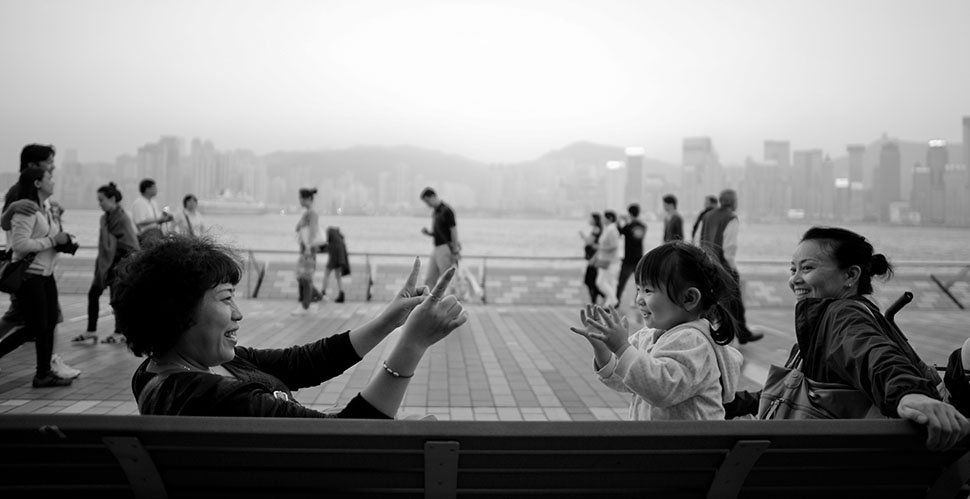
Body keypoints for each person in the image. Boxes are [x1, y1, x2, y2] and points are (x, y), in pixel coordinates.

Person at [115, 235, 467, 418]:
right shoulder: (220, 400)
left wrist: (390, 320)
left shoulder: (164, 374)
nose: (238, 314)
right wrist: (412, 345)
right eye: (225, 299)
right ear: (179, 311)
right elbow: (347, 441)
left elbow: (302, 363)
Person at [776, 226, 965, 450]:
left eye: (807, 268)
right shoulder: (855, 313)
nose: (795, 279)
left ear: (850, 275)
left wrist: (908, 392)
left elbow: (871, 353)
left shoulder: (843, 316)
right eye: (793, 269)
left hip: (827, 463)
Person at [570, 241, 743, 420]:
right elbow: (627, 380)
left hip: (691, 446)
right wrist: (603, 349)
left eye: (648, 290)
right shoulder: (648, 336)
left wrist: (622, 347)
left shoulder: (694, 342)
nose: (639, 299)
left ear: (689, 298)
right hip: (663, 444)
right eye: (638, 289)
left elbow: (661, 389)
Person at [0, 145, 79, 380]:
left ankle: (45, 367)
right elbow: (11, 230)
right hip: (27, 270)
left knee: (39, 321)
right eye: (49, 163)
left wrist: (59, 233)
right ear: (34, 167)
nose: (53, 167)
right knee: (31, 322)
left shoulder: (43, 204)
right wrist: (13, 208)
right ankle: (46, 367)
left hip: (42, 271)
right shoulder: (20, 195)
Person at [75, 182, 140, 344]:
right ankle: (91, 330)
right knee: (94, 294)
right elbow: (105, 245)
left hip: (119, 263)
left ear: (112, 199)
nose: (99, 204)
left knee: (116, 300)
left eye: (101, 200)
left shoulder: (123, 219)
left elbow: (131, 245)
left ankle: (119, 332)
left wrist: (119, 261)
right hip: (104, 265)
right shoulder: (104, 219)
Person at [697, 189, 762, 344]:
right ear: (733, 202)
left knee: (710, 302)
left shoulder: (707, 215)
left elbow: (698, 239)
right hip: (723, 267)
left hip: (707, 264)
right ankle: (740, 334)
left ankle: (706, 333)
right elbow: (729, 248)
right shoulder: (731, 218)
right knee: (734, 303)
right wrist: (732, 270)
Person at [419, 187, 460, 290]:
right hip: (437, 247)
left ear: (433, 196)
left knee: (446, 279)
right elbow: (439, 233)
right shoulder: (436, 212)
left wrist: (455, 251)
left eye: (427, 201)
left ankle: (448, 302)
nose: (427, 204)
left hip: (445, 248)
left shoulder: (447, 210)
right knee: (429, 279)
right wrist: (429, 233)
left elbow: (454, 231)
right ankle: (427, 303)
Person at [293, 188, 321, 315]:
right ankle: (312, 300)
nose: (300, 200)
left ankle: (305, 306)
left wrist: (309, 247)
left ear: (308, 199)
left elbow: (313, 230)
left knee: (306, 278)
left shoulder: (312, 213)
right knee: (302, 277)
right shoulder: (308, 213)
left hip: (308, 250)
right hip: (306, 249)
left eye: (301, 198)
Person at [616, 203, 646, 304]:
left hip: (628, 258)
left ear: (629, 213)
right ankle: (639, 301)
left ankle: (617, 301)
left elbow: (619, 232)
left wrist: (621, 220)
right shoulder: (642, 226)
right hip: (639, 257)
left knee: (621, 281)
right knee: (640, 282)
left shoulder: (628, 226)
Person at [130, 178, 173, 246]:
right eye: (154, 187)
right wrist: (159, 219)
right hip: (146, 234)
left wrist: (165, 219)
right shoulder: (139, 203)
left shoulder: (153, 203)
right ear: (147, 189)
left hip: (156, 232)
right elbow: (140, 221)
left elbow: (157, 219)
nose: (156, 190)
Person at [594, 210, 621, 308]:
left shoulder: (612, 230)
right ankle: (609, 304)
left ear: (609, 218)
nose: (602, 219)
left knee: (601, 282)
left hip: (609, 261)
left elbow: (614, 246)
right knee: (610, 282)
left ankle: (613, 300)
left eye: (604, 217)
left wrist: (600, 248)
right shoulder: (609, 229)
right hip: (607, 260)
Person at [578, 212, 604, 304]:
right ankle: (596, 300)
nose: (589, 220)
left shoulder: (596, 229)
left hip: (593, 260)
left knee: (590, 281)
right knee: (592, 281)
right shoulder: (597, 229)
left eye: (591, 218)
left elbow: (590, 243)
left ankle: (604, 297)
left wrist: (582, 236)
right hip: (593, 259)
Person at [321, 226, 349, 304]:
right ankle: (341, 293)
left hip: (334, 259)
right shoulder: (340, 240)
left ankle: (323, 292)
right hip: (340, 260)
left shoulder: (332, 242)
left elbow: (326, 247)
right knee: (338, 277)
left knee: (326, 274)